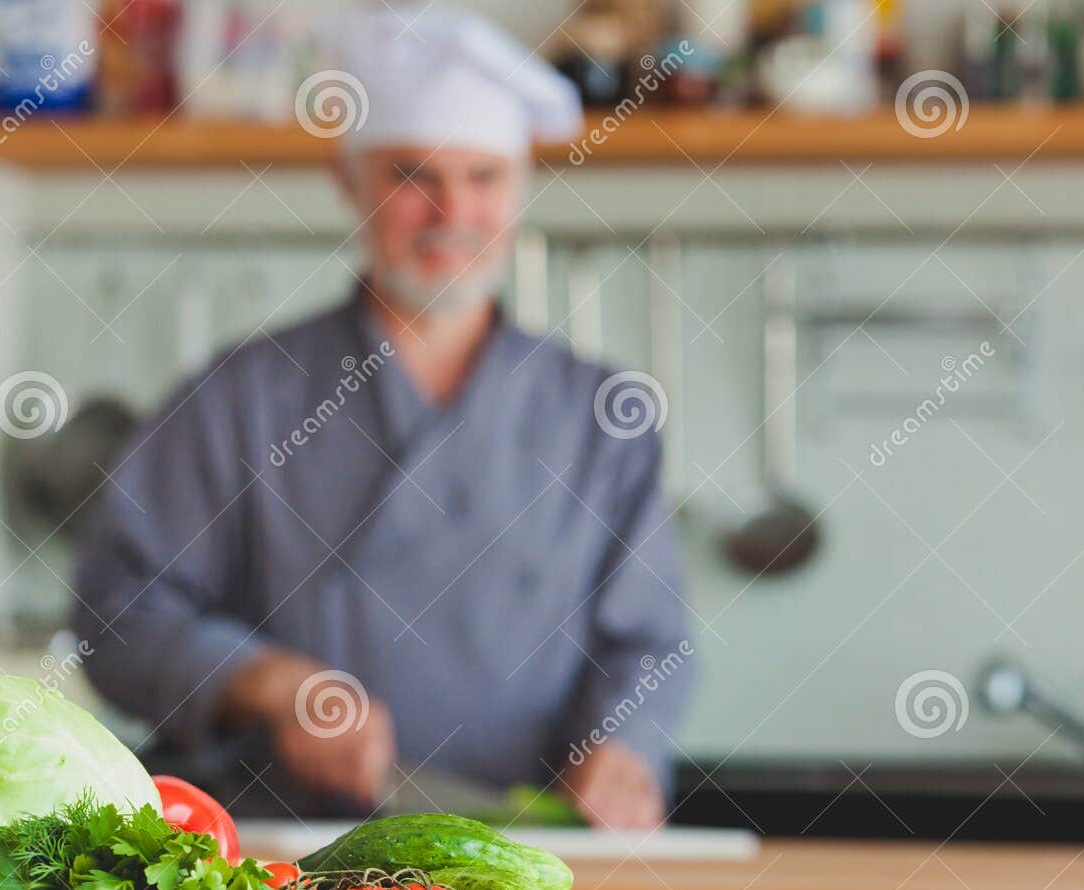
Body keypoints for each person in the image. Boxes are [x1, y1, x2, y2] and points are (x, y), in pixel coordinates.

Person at [73, 7, 692, 830]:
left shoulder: (601, 416)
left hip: (528, 865)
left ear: (521, 188)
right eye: (412, 176)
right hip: (278, 863)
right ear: (348, 181)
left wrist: (626, 747)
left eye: (483, 178)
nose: (451, 211)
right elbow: (118, 615)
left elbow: (647, 643)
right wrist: (272, 683)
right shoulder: (239, 397)